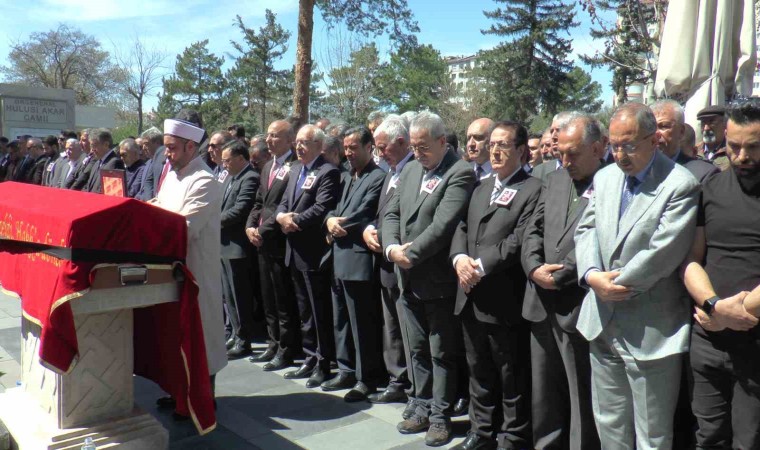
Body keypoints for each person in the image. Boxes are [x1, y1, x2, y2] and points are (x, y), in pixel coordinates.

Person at [574, 102, 700, 449]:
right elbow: (586, 230)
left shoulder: (680, 184)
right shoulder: (605, 178)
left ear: (653, 139)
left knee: (652, 435)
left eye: (628, 145)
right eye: (614, 145)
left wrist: (613, 284)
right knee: (610, 425)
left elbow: (663, 253)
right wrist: (592, 275)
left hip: (651, 330)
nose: (619, 155)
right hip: (602, 321)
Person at [382, 111, 476, 447]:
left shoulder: (459, 172)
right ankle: (420, 405)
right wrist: (392, 248)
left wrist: (411, 254)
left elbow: (443, 225)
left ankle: (440, 416)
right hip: (406, 276)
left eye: (423, 147)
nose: (417, 153)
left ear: (442, 141)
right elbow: (391, 212)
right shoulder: (410, 170)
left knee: (441, 352)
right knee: (417, 349)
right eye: (414, 147)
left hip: (437, 280)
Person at [449, 121, 541, 450]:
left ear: (521, 150)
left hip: (503, 297)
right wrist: (460, 259)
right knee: (478, 369)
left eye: (503, 145)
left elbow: (519, 240)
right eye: (493, 145)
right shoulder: (481, 186)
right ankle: (482, 431)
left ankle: (513, 436)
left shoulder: (533, 189)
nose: (495, 151)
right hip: (470, 293)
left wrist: (479, 266)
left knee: (510, 372)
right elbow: (461, 226)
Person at [681, 97, 760, 449]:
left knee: (749, 440)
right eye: (735, 146)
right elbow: (692, 260)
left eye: (754, 147)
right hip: (708, 339)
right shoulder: (709, 189)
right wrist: (713, 306)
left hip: (754, 344)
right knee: (708, 436)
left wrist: (734, 313)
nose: (742, 156)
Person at [522, 113, 604, 450]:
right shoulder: (554, 179)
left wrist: (562, 275)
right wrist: (533, 268)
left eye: (573, 154)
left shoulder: (610, 182)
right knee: (544, 393)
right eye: (562, 153)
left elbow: (599, 238)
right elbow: (533, 229)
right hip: (540, 301)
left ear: (597, 148)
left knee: (579, 393)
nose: (566, 161)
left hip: (576, 304)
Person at [152, 118, 227, 407]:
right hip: (170, 270)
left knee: (201, 334)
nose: (167, 154)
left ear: (190, 147)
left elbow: (184, 228)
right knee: (174, 333)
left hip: (196, 271)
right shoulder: (172, 175)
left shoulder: (205, 181)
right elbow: (159, 206)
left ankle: (203, 399)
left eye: (172, 148)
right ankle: (178, 392)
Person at [322, 126, 386, 402]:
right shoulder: (347, 176)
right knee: (341, 320)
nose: (348, 153)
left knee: (362, 324)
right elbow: (334, 207)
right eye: (345, 148)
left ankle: (366, 378)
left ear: (369, 147)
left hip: (358, 259)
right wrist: (329, 220)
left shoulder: (377, 177)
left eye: (353, 148)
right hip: (338, 257)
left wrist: (338, 224)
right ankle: (346, 369)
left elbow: (365, 212)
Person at [275, 124, 341, 388]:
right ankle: (310, 357)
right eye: (297, 142)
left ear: (318, 145)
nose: (299, 147)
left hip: (313, 252)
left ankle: (324, 362)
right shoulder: (294, 169)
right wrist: (281, 217)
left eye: (304, 142)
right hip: (294, 250)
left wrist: (295, 222)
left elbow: (322, 207)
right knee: (304, 311)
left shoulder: (328, 171)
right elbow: (283, 202)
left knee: (318, 310)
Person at [363, 117, 415, 411]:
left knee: (407, 329)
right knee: (391, 327)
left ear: (401, 142)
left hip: (404, 262)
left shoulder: (414, 171)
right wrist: (369, 229)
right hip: (385, 263)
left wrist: (385, 237)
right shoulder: (391, 172)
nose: (380, 154)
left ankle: (412, 387)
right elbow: (382, 213)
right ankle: (397, 380)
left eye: (383, 148)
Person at [245, 120, 300, 370]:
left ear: (289, 140)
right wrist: (250, 226)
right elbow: (259, 202)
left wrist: (262, 230)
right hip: (261, 241)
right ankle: (273, 342)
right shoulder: (268, 166)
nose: (269, 140)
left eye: (275, 136)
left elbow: (283, 206)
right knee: (268, 297)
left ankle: (286, 349)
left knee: (282, 299)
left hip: (279, 240)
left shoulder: (294, 167)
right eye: (268, 135)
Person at [219, 140, 259, 359]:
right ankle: (236, 334)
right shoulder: (230, 178)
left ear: (241, 158)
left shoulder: (250, 177)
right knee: (229, 296)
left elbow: (241, 209)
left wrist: (213, 220)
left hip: (237, 247)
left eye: (227, 160)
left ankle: (244, 340)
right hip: (224, 245)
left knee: (240, 296)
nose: (224, 165)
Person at [651, 100, 719, 183]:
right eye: (651, 127)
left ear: (681, 131)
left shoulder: (702, 174)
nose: (656, 133)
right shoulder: (638, 170)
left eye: (664, 126)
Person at [85, 129, 125, 194]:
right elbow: (89, 187)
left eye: (94, 146)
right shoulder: (96, 163)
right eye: (91, 146)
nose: (92, 150)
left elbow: (112, 192)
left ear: (106, 144)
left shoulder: (115, 163)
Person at [696, 105, 730, 171]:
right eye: (703, 123)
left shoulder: (732, 152)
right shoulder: (694, 151)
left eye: (712, 122)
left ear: (725, 125)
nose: (706, 128)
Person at [137, 127, 167, 201]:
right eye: (143, 145)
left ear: (157, 143)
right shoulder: (147, 163)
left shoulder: (166, 162)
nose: (143, 148)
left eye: (146, 144)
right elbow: (146, 184)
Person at [466, 118, 495, 182]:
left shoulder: (502, 173)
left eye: (478, 138)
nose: (471, 144)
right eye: (468, 138)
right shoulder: (464, 171)